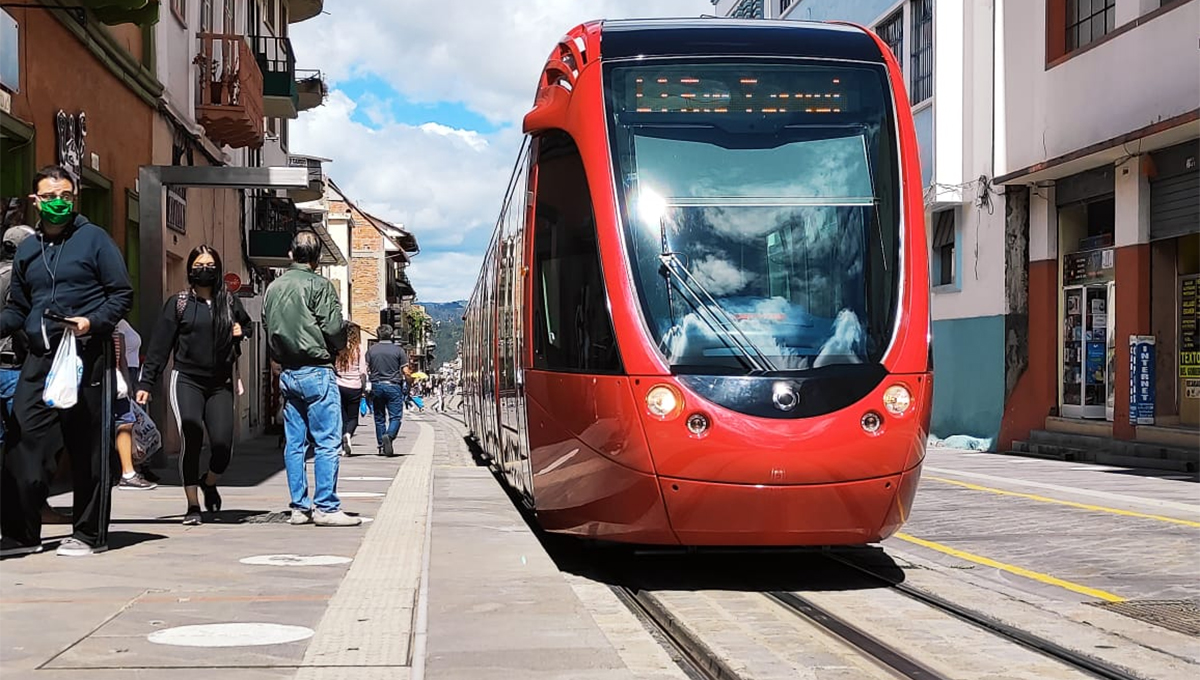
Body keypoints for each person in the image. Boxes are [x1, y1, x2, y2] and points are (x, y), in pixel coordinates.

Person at [0, 165, 134, 558]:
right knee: (21, 443)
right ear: (35, 201)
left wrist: (93, 322)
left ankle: (89, 533)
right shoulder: (28, 250)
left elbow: (121, 294)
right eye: (49, 197)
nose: (58, 202)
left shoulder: (95, 240)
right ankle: (21, 534)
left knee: (87, 446)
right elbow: (18, 309)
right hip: (40, 359)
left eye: (64, 196)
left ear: (72, 196)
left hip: (85, 355)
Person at [136, 245, 251, 525]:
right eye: (199, 265)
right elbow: (159, 347)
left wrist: (240, 331)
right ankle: (192, 505)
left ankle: (209, 482)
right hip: (187, 379)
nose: (204, 270)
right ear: (189, 270)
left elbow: (246, 327)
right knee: (192, 434)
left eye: (210, 265)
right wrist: (146, 383)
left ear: (219, 268)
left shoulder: (229, 302)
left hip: (219, 383)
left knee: (223, 445)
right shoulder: (179, 304)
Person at [262, 231, 359, 527]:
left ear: (291, 254)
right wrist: (342, 341)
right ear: (317, 260)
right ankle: (326, 507)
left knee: (295, 443)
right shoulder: (320, 285)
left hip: (288, 372)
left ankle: (298, 508)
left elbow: (268, 323)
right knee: (327, 441)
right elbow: (332, 327)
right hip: (317, 369)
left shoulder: (274, 287)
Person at [113, 320, 155, 490]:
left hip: (129, 372)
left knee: (128, 421)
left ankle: (133, 468)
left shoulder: (120, 322)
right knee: (125, 420)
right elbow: (120, 354)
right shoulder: (113, 321)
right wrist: (127, 382)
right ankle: (127, 471)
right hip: (122, 373)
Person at [366, 325, 409, 457]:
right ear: (391, 335)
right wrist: (409, 382)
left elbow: (367, 369)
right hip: (393, 385)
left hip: (376, 385)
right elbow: (406, 371)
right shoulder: (399, 351)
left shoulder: (371, 351)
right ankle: (389, 437)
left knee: (379, 418)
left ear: (378, 335)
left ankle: (381, 446)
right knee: (395, 417)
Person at [334, 322, 368, 457]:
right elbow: (362, 371)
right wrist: (364, 388)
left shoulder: (338, 348)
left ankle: (342, 445)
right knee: (353, 417)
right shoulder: (359, 349)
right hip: (355, 386)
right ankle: (348, 434)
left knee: (341, 416)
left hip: (339, 384)